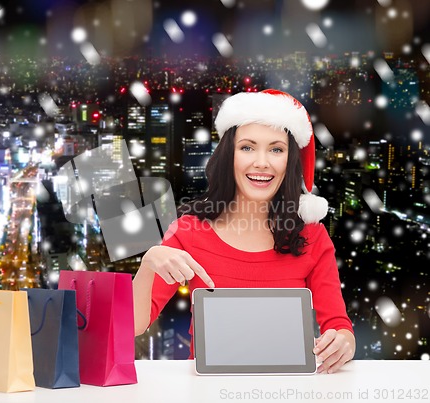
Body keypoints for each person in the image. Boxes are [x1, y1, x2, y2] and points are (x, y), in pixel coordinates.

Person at [133, 89, 355, 374]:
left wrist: (343, 344)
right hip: (207, 393)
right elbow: (136, 324)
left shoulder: (313, 237)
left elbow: (339, 325)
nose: (261, 162)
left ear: (290, 161)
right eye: (247, 147)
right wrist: (148, 262)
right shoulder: (188, 232)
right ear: (229, 155)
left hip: (287, 391)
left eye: (276, 149)